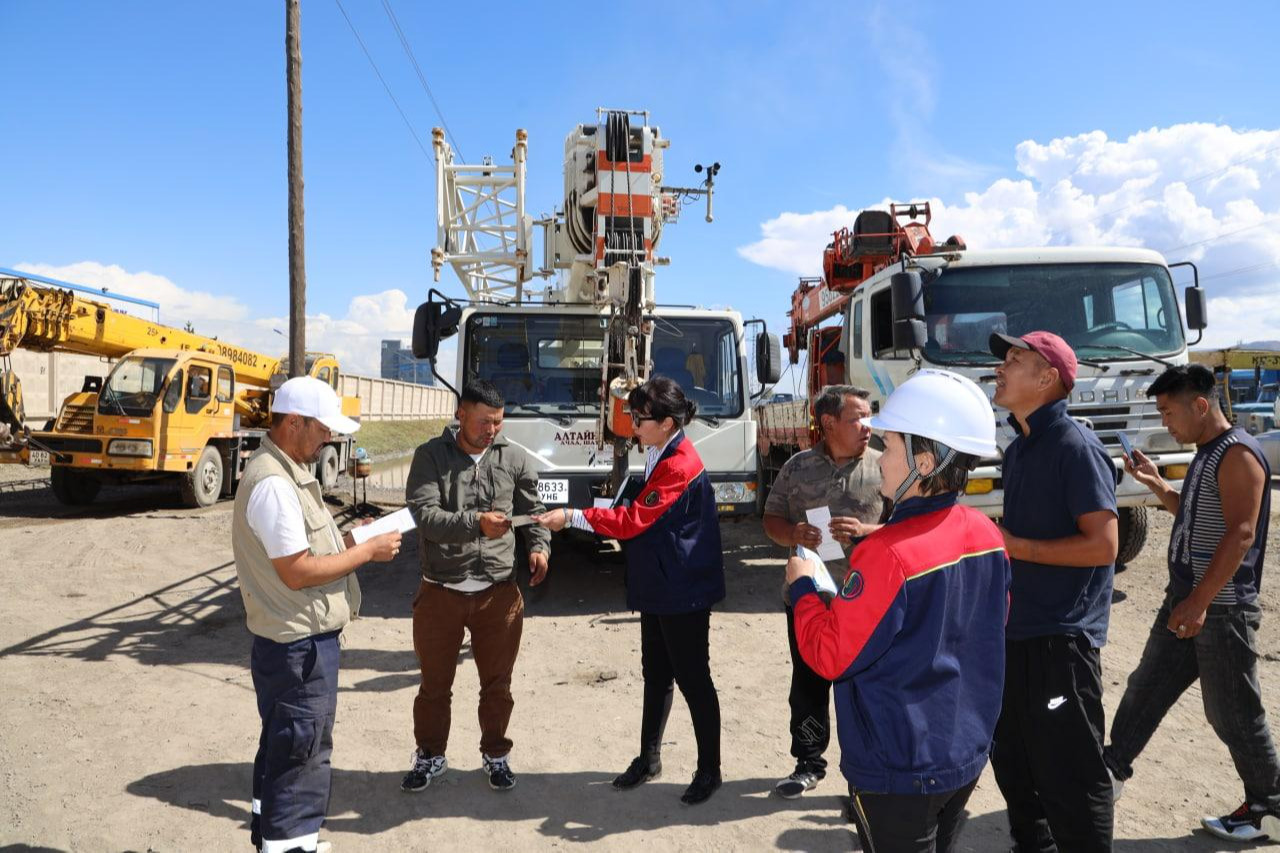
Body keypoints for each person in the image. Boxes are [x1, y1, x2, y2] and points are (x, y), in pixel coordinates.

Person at [786, 369, 1010, 853]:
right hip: (964, 749)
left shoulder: (886, 557)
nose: (880, 457)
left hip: (900, 762)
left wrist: (804, 589)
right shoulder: (987, 533)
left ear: (924, 463)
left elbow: (831, 657)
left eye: (888, 447)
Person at [1103, 364, 1280, 843]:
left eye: (1168, 411)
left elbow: (1241, 533)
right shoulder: (1207, 453)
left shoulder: (1239, 454)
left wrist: (1201, 601)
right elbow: (1197, 516)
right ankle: (1110, 774)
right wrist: (1157, 484)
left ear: (1200, 406)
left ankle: (1270, 807)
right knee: (1147, 687)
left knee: (1234, 713)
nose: (1165, 422)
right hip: (1187, 601)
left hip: (1219, 609)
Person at [534, 376, 725, 805]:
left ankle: (709, 770)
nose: (633, 426)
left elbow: (632, 521)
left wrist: (572, 516)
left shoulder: (679, 464)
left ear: (668, 422)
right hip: (661, 582)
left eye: (639, 419)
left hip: (683, 589)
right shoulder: (660, 451)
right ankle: (649, 758)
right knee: (656, 673)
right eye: (632, 417)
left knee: (694, 679)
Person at [232, 376, 401, 853]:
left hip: (296, 645)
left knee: (286, 747)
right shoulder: (274, 485)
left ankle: (273, 838)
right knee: (300, 756)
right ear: (294, 422)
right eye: (322, 428)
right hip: (298, 649)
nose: (329, 437)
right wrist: (366, 555)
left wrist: (350, 541)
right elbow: (298, 571)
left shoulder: (286, 473)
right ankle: (290, 844)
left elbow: (303, 551)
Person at [988, 331, 1119, 852]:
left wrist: (1015, 546)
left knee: (1071, 777)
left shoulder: (1074, 445)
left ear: (1048, 380)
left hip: (1061, 643)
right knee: (1015, 766)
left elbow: (1104, 545)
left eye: (1015, 360)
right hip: (1017, 634)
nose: (1001, 367)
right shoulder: (1020, 448)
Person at [402, 380, 550, 793]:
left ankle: (496, 755)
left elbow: (532, 510)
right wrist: (475, 523)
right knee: (434, 687)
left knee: (497, 685)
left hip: (498, 596)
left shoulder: (514, 458)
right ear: (461, 415)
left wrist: (540, 548)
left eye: (498, 423)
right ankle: (430, 755)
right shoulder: (430, 456)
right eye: (484, 422)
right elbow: (426, 517)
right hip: (440, 593)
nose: (492, 431)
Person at [762, 385, 886, 800]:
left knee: (867, 688)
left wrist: (869, 533)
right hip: (808, 598)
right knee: (809, 684)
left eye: (869, 417)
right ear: (829, 423)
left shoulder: (886, 467)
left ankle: (868, 773)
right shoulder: (798, 467)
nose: (867, 426)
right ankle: (809, 762)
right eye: (857, 418)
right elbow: (771, 518)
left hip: (867, 599)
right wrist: (792, 533)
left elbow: (909, 526)